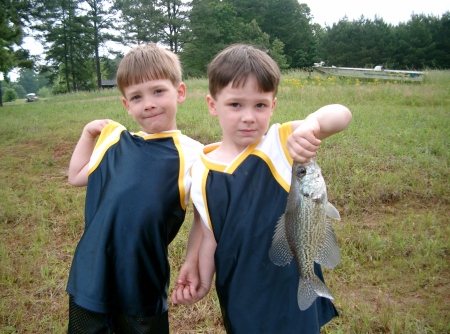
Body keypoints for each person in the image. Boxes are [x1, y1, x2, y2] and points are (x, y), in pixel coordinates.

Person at [171, 44, 352, 333]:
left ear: (273, 106)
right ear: (212, 105)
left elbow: (341, 114)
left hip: (288, 287)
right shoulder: (200, 169)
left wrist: (312, 124)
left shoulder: (280, 143)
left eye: (260, 105)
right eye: (235, 104)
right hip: (240, 291)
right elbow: (209, 232)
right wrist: (202, 278)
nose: (249, 116)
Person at [66, 44, 203, 333]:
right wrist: (88, 134)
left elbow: (205, 218)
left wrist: (193, 261)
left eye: (158, 91)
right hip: (90, 273)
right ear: (127, 106)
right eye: (137, 97)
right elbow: (77, 175)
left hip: (142, 278)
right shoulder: (116, 143)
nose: (149, 103)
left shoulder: (194, 155)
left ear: (180, 92)